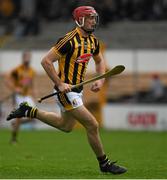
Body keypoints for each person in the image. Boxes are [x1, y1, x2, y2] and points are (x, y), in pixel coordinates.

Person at [6, 6, 127, 174]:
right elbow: (46, 61)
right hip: (66, 92)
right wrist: (60, 83)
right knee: (92, 124)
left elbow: (100, 62)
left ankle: (28, 110)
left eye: (94, 18)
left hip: (77, 91)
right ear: (80, 20)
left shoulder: (93, 42)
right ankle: (104, 164)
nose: (93, 21)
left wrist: (101, 79)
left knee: (66, 126)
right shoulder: (68, 40)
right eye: (89, 18)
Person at [5, 51, 36, 143]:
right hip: (19, 96)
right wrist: (14, 88)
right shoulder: (17, 70)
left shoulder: (32, 71)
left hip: (27, 96)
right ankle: (14, 138)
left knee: (34, 115)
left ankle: (15, 123)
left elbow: (31, 83)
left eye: (29, 57)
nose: (27, 59)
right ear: (23, 58)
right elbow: (6, 80)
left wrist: (33, 92)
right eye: (26, 57)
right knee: (19, 116)